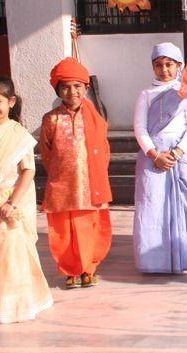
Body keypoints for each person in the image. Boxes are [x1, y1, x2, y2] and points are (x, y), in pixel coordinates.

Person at [0, 76, 53, 323]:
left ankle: (15, 305)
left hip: (10, 206)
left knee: (12, 256)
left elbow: (28, 171)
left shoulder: (20, 135)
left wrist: (12, 203)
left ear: (11, 102)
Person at [133, 42, 187, 273]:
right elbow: (139, 127)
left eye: (169, 65)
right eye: (159, 65)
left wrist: (177, 152)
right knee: (152, 204)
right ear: (153, 67)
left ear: (178, 66)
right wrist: (154, 154)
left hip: (181, 154)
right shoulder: (146, 94)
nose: (164, 70)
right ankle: (153, 260)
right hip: (153, 155)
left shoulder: (186, 92)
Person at [40, 57, 113, 288]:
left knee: (90, 226)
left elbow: (105, 150)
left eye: (77, 86)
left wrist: (95, 175)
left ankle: (89, 269)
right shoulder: (50, 119)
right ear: (58, 90)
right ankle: (70, 270)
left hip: (91, 184)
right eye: (65, 87)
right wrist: (62, 174)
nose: (72, 92)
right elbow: (46, 153)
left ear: (86, 88)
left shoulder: (95, 117)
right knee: (63, 229)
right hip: (63, 185)